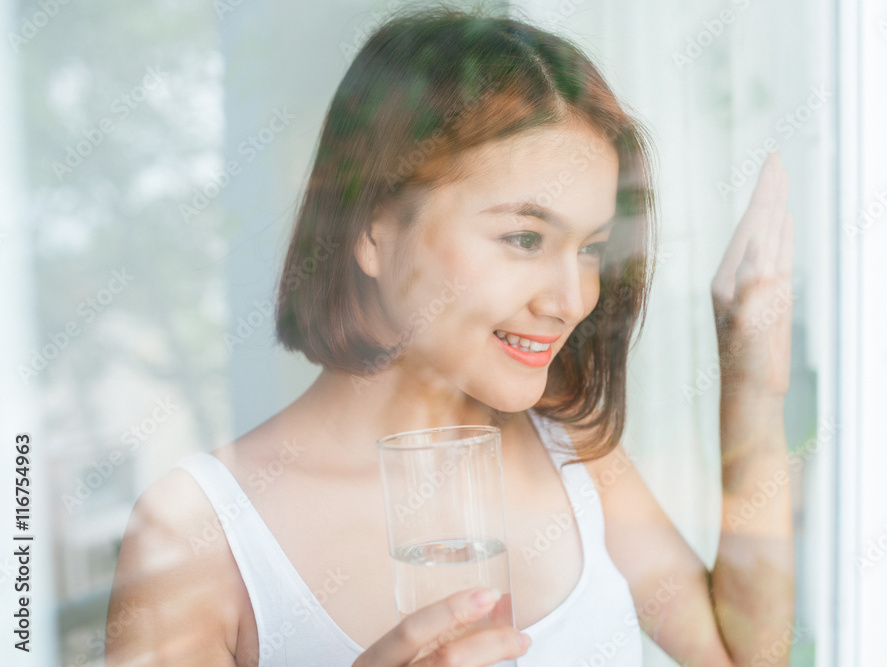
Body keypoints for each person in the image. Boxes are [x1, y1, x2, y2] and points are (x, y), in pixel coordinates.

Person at [105, 7, 795, 666]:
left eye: (590, 248)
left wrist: (752, 385)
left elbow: (744, 655)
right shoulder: (195, 534)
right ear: (374, 229)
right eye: (524, 237)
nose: (573, 299)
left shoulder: (569, 447)